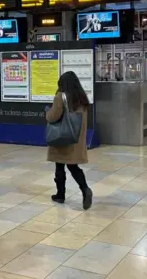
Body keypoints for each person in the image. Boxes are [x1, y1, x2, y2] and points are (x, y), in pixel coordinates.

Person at [46, 71, 93, 210]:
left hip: (63, 137)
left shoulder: (61, 97)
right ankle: (85, 189)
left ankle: (60, 195)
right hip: (76, 139)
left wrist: (47, 113)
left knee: (59, 165)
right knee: (73, 166)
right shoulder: (82, 98)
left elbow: (53, 116)